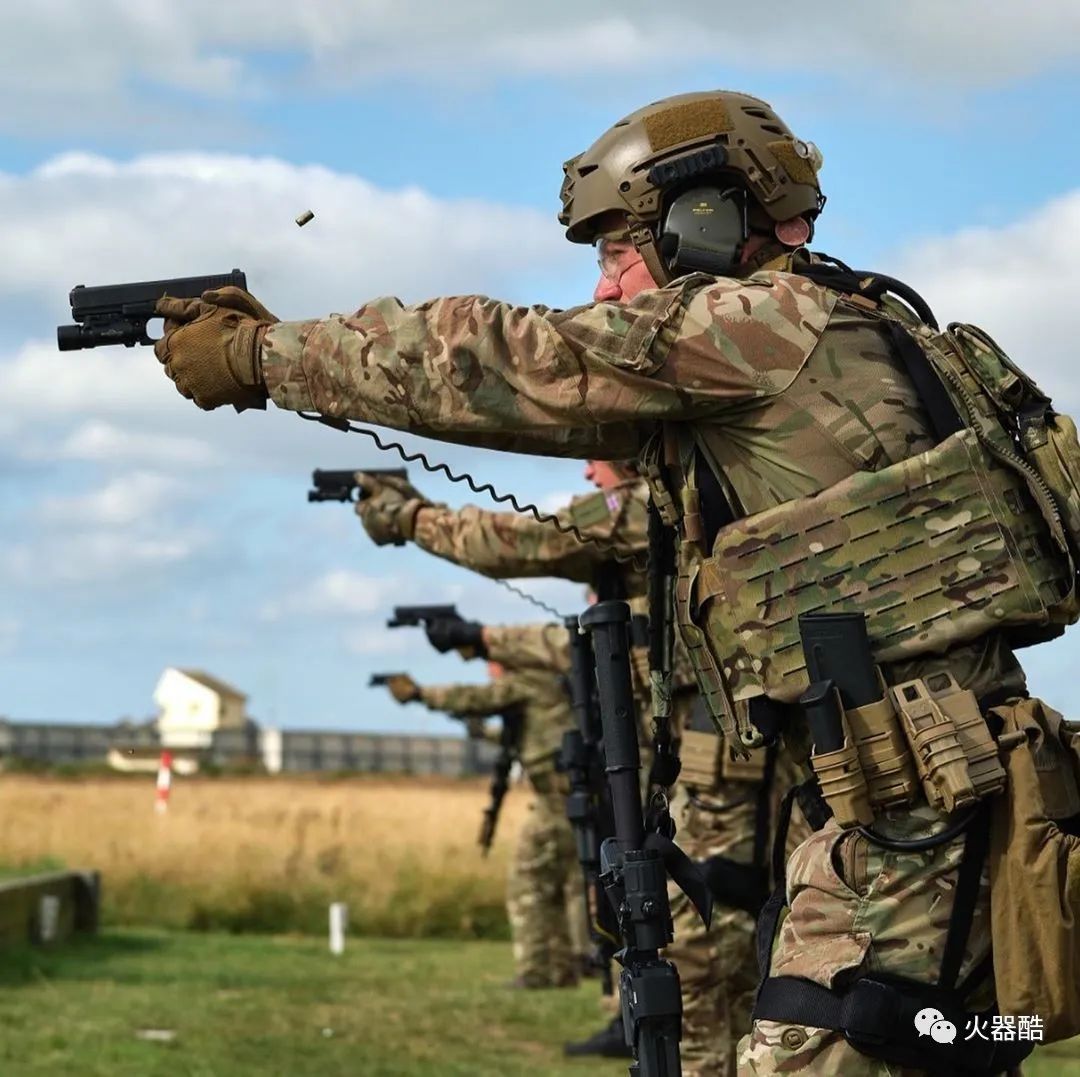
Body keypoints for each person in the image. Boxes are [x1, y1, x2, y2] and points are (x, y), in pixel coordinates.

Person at [152, 90, 1077, 1074]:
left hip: (917, 805)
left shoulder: (758, 325)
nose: (603, 289)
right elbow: (547, 407)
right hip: (928, 794)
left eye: (613, 251)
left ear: (703, 221)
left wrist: (263, 356)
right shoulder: (857, 331)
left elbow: (501, 362)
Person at [356, 465, 789, 1073]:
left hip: (728, 773)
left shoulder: (662, 501)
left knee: (703, 951)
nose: (588, 470)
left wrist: (411, 519)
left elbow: (530, 539)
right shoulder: (686, 509)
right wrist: (480, 637)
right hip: (724, 767)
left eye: (598, 455)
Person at [378, 662, 589, 990]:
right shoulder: (550, 687)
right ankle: (562, 967)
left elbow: (473, 697)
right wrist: (481, 731)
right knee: (559, 887)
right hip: (575, 801)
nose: (491, 675)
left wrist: (420, 694)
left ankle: (538, 970)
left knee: (528, 886)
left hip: (555, 803)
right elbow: (528, 734)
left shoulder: (526, 679)